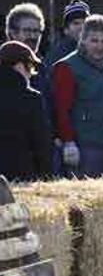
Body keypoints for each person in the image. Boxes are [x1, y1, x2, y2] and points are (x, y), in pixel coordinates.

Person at [53, 14, 103, 177]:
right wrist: (68, 142)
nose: (99, 46)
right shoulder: (67, 67)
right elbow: (62, 109)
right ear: (83, 40)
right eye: (94, 41)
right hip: (85, 146)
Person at [0, 41, 51, 181]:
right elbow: (40, 142)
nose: (31, 73)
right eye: (30, 67)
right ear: (19, 66)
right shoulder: (31, 98)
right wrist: (46, 176)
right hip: (22, 173)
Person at [45, 0, 90, 68]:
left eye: (85, 23)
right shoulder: (56, 54)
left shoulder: (98, 50)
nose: (81, 27)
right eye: (76, 23)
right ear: (66, 29)